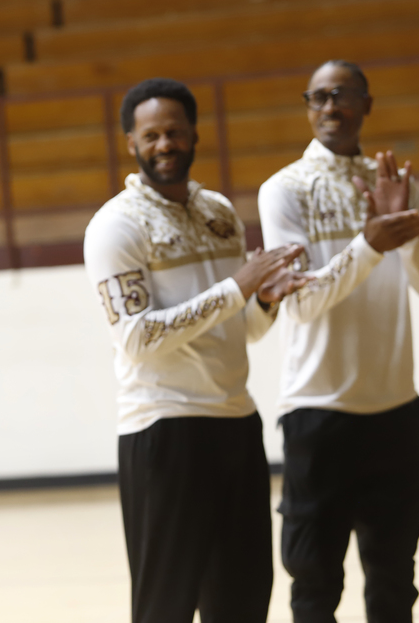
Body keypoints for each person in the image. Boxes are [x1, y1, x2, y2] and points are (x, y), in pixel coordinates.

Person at [83, 77, 307, 623]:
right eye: (151, 135)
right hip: (163, 430)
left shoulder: (220, 213)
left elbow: (243, 330)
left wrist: (266, 300)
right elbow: (136, 340)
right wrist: (237, 288)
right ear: (131, 143)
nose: (164, 145)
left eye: (175, 132)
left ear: (194, 135)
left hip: (235, 421)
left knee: (244, 599)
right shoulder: (115, 225)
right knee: (167, 605)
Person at [258, 60, 419, 623]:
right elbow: (303, 301)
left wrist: (406, 234)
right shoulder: (283, 189)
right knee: (315, 586)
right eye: (316, 98)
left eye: (341, 96)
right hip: (319, 415)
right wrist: (369, 244)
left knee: (394, 585)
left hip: (397, 413)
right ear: (307, 107)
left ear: (368, 104)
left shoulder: (392, 180)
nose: (329, 108)